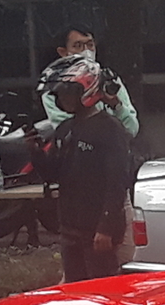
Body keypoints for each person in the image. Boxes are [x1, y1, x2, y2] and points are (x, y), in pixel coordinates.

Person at [43, 59, 135, 281]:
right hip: (70, 227)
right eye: (60, 95)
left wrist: (106, 226)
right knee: (74, 292)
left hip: (97, 228)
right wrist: (37, 153)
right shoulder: (66, 129)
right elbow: (55, 174)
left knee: (102, 289)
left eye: (68, 93)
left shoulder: (110, 129)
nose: (63, 99)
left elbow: (117, 181)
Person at [39, 25, 140, 137]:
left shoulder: (110, 80)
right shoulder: (54, 88)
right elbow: (67, 133)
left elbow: (132, 129)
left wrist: (117, 106)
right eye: (78, 46)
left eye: (90, 45)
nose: (86, 51)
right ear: (63, 52)